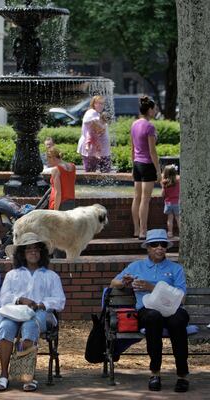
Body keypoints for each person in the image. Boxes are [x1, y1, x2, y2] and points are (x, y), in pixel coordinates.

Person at [110, 229, 189, 393]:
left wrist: (152, 287)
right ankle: (155, 373)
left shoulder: (175, 268)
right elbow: (113, 283)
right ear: (148, 248)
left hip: (172, 309)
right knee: (154, 317)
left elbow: (181, 298)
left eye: (163, 244)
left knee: (178, 320)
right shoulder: (137, 266)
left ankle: (182, 375)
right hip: (147, 311)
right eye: (154, 244)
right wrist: (123, 282)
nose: (159, 248)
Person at [0, 232, 65, 392]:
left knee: (30, 325)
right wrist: (20, 299)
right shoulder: (13, 275)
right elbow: (3, 298)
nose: (33, 252)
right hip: (13, 312)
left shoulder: (51, 276)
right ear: (22, 254)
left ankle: (27, 376)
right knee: (6, 326)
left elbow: (60, 301)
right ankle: (4, 374)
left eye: (36, 249)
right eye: (29, 249)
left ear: (42, 253)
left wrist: (41, 304)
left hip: (40, 314)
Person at [130, 96, 161, 239]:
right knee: (145, 200)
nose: (155, 111)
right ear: (149, 110)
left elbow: (132, 148)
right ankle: (143, 231)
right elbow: (152, 151)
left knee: (136, 198)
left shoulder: (134, 124)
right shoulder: (150, 126)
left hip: (137, 164)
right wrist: (158, 170)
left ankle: (136, 230)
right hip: (147, 165)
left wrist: (133, 166)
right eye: (154, 109)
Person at [77, 96, 112, 173]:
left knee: (100, 173)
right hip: (92, 149)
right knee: (92, 174)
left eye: (102, 104)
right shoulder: (91, 112)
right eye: (98, 103)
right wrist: (102, 126)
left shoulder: (97, 114)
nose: (101, 105)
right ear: (93, 104)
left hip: (99, 149)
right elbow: (92, 124)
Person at [161, 165, 180, 238]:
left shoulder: (164, 183)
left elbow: (162, 194)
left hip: (168, 203)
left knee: (170, 219)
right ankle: (182, 232)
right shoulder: (178, 181)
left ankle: (170, 233)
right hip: (177, 202)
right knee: (178, 218)